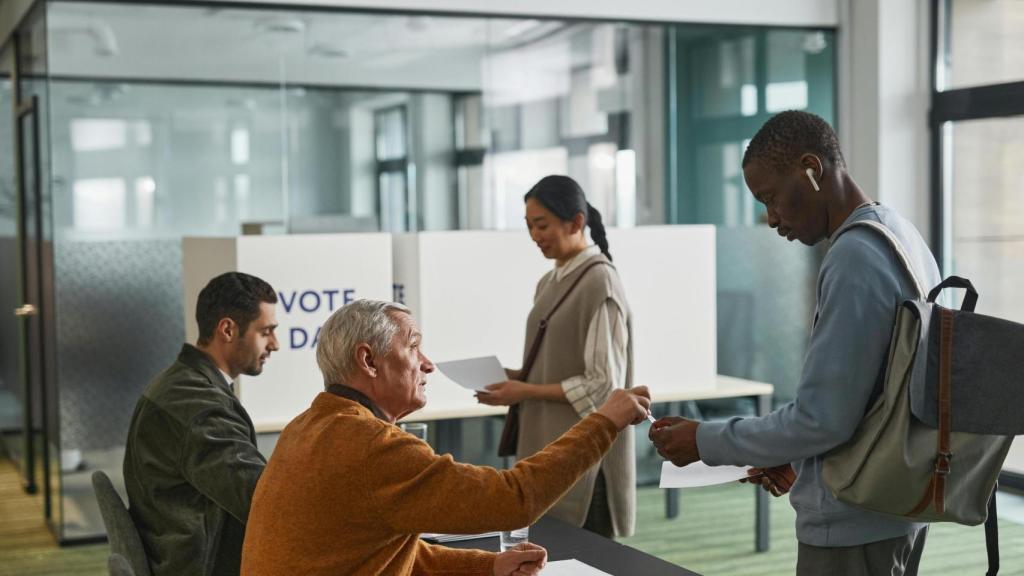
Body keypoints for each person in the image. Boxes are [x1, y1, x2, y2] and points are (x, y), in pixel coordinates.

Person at [649, 111, 940, 576]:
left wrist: (704, 440)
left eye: (771, 197)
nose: (770, 219)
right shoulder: (899, 233)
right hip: (894, 504)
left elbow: (820, 420)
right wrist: (801, 458)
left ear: (811, 168)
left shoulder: (854, 256)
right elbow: (872, 398)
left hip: (852, 523)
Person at [240, 299, 651, 576]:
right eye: (413, 347)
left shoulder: (307, 427)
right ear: (368, 360)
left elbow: (383, 552)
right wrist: (604, 421)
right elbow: (514, 500)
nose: (427, 364)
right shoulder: (369, 446)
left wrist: (489, 567)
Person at [476, 175, 636, 539]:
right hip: (550, 452)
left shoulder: (599, 282)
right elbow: (557, 364)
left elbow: (602, 386)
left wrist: (525, 391)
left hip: (584, 460)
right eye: (529, 226)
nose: (535, 235)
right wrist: (515, 378)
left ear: (576, 222)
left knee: (584, 556)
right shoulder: (550, 282)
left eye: (542, 224)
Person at [124, 272, 280, 576]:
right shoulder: (200, 409)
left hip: (174, 550)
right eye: (266, 332)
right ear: (227, 329)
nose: (275, 344)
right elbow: (263, 502)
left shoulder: (181, 382)